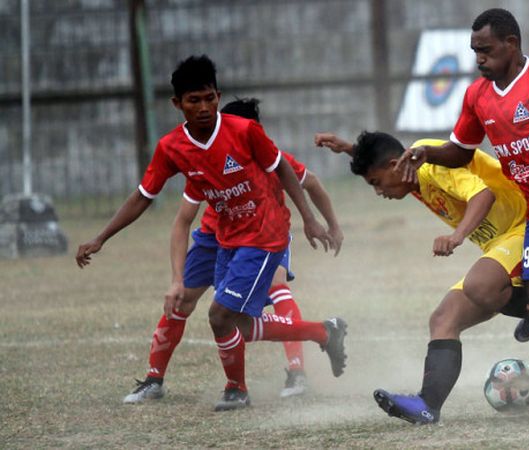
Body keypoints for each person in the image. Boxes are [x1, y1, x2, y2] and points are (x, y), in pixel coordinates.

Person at [76, 55, 348, 411]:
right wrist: (101, 237)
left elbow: (289, 172)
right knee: (238, 324)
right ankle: (323, 332)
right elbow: (145, 198)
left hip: (266, 234)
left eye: (209, 98)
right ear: (177, 104)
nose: (204, 107)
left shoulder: (246, 132)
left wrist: (311, 220)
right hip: (225, 239)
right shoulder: (173, 148)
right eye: (194, 100)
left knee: (222, 313)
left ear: (218, 96)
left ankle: (239, 389)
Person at [396, 9, 529, 373]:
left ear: (511, 44)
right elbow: (461, 152)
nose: (479, 58)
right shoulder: (477, 96)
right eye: (474, 50)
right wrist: (427, 152)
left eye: (486, 50)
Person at [123, 97, 341, 404]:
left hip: (263, 237)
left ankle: (294, 371)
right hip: (215, 239)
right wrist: (175, 276)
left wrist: (327, 223)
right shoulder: (207, 158)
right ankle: (154, 379)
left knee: (271, 290)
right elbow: (183, 219)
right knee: (192, 304)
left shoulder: (273, 157)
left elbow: (312, 182)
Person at [315, 131, 529, 424]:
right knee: (443, 319)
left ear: (396, 165)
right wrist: (351, 150)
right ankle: (427, 406)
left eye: (376, 183)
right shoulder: (408, 170)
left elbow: (484, 195)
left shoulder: (429, 164)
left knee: (479, 285)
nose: (378, 192)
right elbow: (387, 156)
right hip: (501, 243)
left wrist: (456, 237)